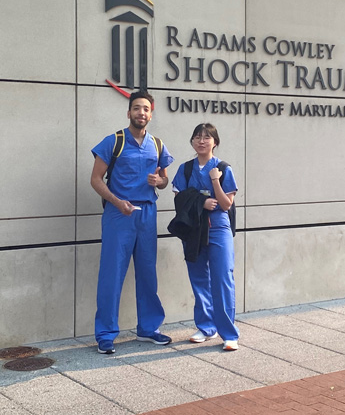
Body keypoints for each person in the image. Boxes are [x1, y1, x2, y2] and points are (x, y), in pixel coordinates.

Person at [90, 90, 174, 354]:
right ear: (129, 112)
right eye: (137, 108)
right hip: (119, 215)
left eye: (146, 109)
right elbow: (95, 179)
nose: (141, 113)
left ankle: (148, 329)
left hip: (147, 213)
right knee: (112, 274)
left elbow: (165, 179)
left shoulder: (157, 144)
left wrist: (160, 181)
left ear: (151, 113)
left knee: (148, 273)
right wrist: (117, 203)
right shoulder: (113, 141)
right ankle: (105, 334)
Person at [171, 123, 240, 351]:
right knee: (199, 278)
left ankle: (229, 334)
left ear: (215, 142)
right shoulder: (185, 169)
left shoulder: (222, 168)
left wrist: (214, 181)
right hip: (194, 228)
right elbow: (180, 200)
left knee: (222, 279)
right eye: (198, 137)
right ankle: (205, 327)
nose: (202, 141)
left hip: (218, 228)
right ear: (192, 141)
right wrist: (201, 201)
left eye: (207, 137)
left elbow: (226, 203)